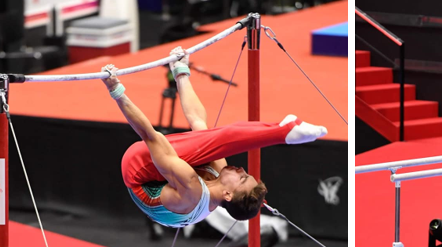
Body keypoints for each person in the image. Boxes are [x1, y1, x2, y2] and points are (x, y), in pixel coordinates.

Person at [112, 47, 327, 228]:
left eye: (242, 178)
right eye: (247, 173)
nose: (242, 170)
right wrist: (181, 71)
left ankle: (283, 132)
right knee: (212, 138)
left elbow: (150, 136)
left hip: (137, 176)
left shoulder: (191, 191)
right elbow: (197, 121)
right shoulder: (217, 174)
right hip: (176, 186)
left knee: (218, 140)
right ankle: (283, 132)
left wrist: (116, 90)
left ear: (227, 195)